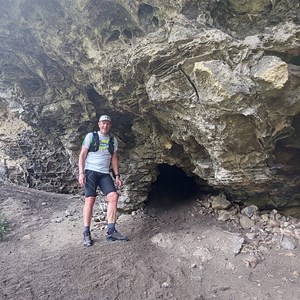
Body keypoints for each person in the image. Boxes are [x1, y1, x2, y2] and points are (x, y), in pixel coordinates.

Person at [78, 115, 128, 246]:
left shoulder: (113, 140)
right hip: (91, 171)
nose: (105, 126)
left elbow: (114, 158)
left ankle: (111, 231)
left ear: (110, 125)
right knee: (90, 199)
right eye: (103, 123)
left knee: (113, 196)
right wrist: (81, 173)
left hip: (104, 173)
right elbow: (82, 154)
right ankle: (86, 233)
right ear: (99, 124)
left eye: (107, 124)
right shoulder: (91, 136)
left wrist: (117, 175)